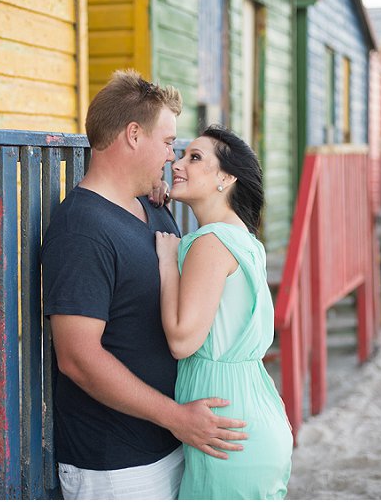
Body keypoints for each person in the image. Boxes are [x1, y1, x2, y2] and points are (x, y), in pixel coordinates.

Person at [41, 70, 248, 500]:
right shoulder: (81, 228)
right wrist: (176, 416)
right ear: (134, 135)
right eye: (169, 143)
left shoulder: (153, 210)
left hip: (172, 443)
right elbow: (78, 358)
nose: (172, 158)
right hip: (117, 466)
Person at [155, 125, 294, 499]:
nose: (177, 165)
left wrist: (167, 263)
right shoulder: (244, 239)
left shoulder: (210, 241)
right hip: (251, 414)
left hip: (227, 430)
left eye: (194, 158)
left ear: (226, 177)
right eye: (181, 155)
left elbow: (183, 340)